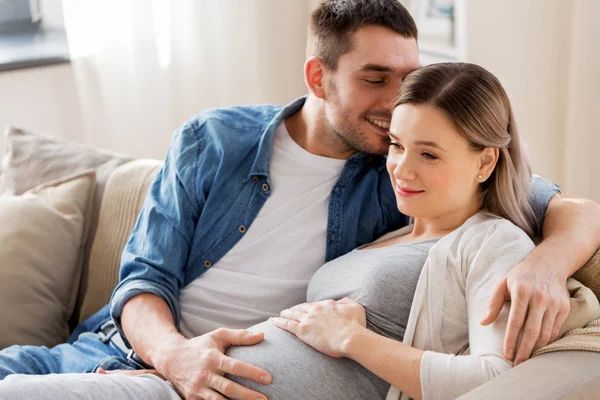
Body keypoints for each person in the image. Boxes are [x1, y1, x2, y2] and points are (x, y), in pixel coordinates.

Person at [0, 1, 598, 400]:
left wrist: (545, 264)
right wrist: (177, 357)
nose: (399, 100)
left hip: (211, 380)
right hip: (128, 350)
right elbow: (143, 278)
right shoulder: (215, 139)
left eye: (409, 75)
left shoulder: (404, 177)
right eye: (375, 78)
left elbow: (550, 201)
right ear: (318, 77)